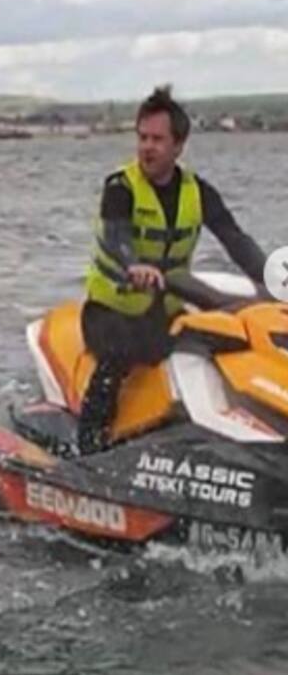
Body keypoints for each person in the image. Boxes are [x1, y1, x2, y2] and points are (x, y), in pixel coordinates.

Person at [77, 85, 268, 455]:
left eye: (157, 139)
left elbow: (235, 239)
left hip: (162, 310)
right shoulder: (120, 188)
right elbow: (116, 235)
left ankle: (232, 439)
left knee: (228, 338)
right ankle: (88, 450)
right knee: (118, 356)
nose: (147, 147)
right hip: (110, 311)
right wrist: (134, 264)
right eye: (142, 138)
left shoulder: (198, 192)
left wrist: (270, 279)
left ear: (179, 145)